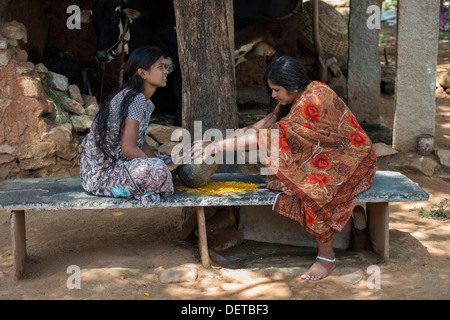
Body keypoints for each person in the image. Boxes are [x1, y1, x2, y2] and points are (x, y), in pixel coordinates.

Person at [191, 56, 377, 281]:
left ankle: (326, 257)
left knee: (313, 192)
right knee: (285, 181)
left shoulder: (312, 100)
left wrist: (216, 147)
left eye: (276, 89)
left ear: (294, 84)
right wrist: (216, 142)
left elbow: (266, 138)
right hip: (329, 156)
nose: (273, 95)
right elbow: (263, 125)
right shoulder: (295, 98)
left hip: (355, 158)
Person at [80, 46, 180, 208]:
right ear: (142, 73)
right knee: (159, 170)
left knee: (170, 160)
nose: (166, 71)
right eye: (161, 67)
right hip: (101, 177)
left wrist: (161, 162)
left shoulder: (146, 103)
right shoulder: (136, 100)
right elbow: (128, 149)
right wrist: (161, 167)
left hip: (119, 167)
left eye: (166, 66)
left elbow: (140, 142)